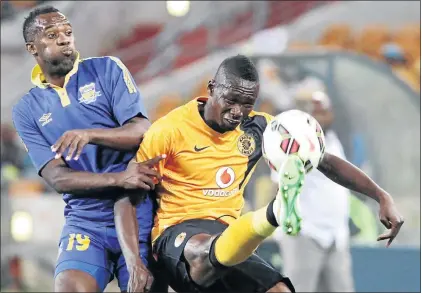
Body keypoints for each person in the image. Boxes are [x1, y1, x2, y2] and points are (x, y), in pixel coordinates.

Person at [115, 55, 404, 293]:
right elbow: (127, 199)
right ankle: (273, 214)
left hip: (230, 236)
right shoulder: (169, 130)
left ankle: (271, 215)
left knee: (280, 290)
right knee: (203, 255)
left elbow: (324, 160)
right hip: (176, 237)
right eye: (231, 100)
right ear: (212, 87)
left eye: (248, 104)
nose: (238, 112)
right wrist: (134, 262)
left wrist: (381, 195)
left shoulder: (260, 129)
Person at [12, 6, 162, 292]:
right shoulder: (27, 109)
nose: (65, 39)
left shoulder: (107, 69)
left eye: (68, 32)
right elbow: (58, 178)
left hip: (136, 210)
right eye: (52, 35)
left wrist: (90, 134)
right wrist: (119, 178)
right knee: (69, 287)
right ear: (33, 48)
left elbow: (141, 130)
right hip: (85, 220)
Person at [275, 90, 355, 292]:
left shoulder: (334, 140)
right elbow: (281, 182)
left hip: (335, 235)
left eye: (325, 111)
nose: (322, 116)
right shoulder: (295, 143)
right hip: (305, 232)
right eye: (316, 112)